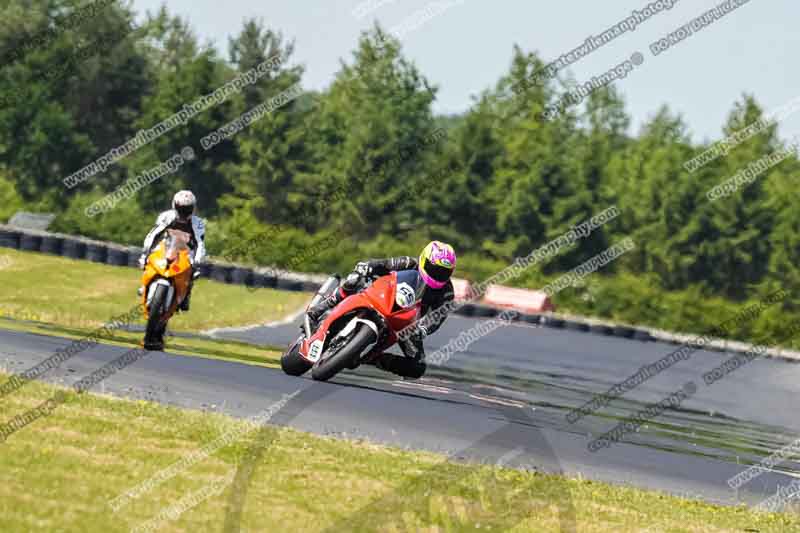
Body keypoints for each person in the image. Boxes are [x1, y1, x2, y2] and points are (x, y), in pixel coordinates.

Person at [306, 240, 456, 378]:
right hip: (381, 296)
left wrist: (422, 329)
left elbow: (438, 317)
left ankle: (373, 358)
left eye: (443, 272)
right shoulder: (409, 263)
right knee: (354, 280)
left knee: (417, 367)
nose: (438, 274)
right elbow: (382, 264)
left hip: (406, 323)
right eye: (434, 268)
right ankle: (324, 306)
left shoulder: (447, 293)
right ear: (424, 259)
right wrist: (365, 268)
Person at [138, 190, 206, 311]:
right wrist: (145, 252)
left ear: (193, 208)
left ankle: (185, 296)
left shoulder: (198, 223)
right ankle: (144, 286)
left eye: (187, 209)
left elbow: (200, 243)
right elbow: (153, 234)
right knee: (148, 260)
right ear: (175, 205)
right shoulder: (167, 216)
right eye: (181, 208)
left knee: (192, 272)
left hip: (185, 250)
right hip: (167, 245)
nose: (183, 212)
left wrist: (197, 261)